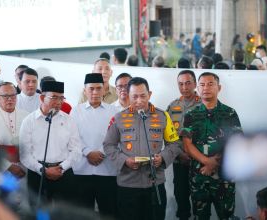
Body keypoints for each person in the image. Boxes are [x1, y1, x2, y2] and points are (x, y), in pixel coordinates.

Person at [103, 77, 181, 220]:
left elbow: (175, 144)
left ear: (149, 94)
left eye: (143, 96)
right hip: (128, 186)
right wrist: (124, 160)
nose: (139, 100)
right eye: (134, 96)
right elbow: (108, 145)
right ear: (128, 96)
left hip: (155, 185)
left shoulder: (163, 116)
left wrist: (162, 158)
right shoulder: (119, 118)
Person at [181, 72, 243, 219]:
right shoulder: (191, 114)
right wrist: (206, 161)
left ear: (219, 87)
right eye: (202, 85)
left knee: (226, 216)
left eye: (210, 84)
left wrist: (214, 162)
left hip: (224, 178)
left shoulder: (229, 113)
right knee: (200, 216)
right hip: (199, 177)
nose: (206, 88)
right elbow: (187, 145)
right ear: (197, 88)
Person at [19, 80, 82, 205]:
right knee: (38, 214)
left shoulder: (69, 120)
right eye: (54, 97)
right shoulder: (29, 121)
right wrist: (43, 170)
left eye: (61, 98)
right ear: (42, 97)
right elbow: (25, 154)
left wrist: (62, 168)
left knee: (65, 214)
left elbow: (76, 150)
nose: (59, 102)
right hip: (38, 174)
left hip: (63, 173)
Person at [71, 73, 119, 219]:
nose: (95, 92)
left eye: (99, 88)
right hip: (82, 171)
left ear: (104, 90)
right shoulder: (76, 111)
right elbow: (72, 137)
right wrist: (87, 152)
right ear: (85, 90)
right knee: (83, 213)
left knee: (109, 212)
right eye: (91, 89)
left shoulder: (114, 111)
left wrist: (101, 152)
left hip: (107, 171)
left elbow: (116, 137)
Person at [166, 70, 201, 220]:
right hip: (179, 160)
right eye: (181, 84)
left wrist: (195, 155)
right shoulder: (173, 106)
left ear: (194, 84)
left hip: (201, 162)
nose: (184, 87)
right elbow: (167, 136)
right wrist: (179, 154)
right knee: (181, 197)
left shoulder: (203, 104)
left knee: (201, 200)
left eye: (188, 83)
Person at [0, 82, 28, 178]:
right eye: (5, 96)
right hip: (1, 169)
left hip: (26, 166)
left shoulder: (27, 116)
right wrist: (9, 166)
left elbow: (33, 144)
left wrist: (24, 166)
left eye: (13, 95)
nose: (10, 99)